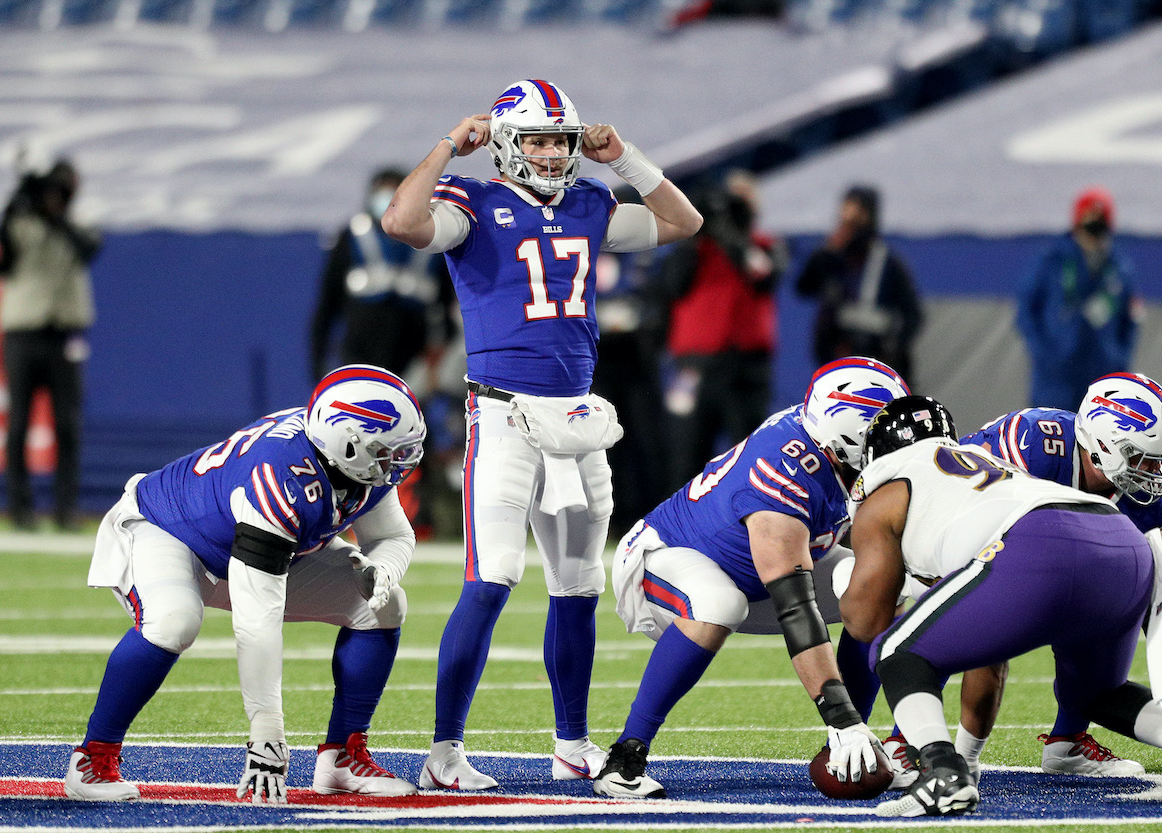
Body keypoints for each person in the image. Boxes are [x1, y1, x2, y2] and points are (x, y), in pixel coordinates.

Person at [380, 79, 703, 790]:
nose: (553, 153)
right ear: (504, 144)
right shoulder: (475, 202)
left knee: (579, 585)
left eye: (560, 139)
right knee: (491, 578)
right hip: (502, 413)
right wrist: (444, 146)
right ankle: (443, 752)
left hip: (578, 416)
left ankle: (571, 743)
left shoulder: (590, 203)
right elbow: (401, 223)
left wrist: (627, 159)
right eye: (537, 139)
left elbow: (684, 222)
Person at [838, 395, 1162, 817]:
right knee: (1095, 693)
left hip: (1039, 542)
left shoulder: (887, 492)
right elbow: (987, 660)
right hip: (1123, 542)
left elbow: (867, 624)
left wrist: (841, 577)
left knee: (897, 652)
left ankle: (941, 772)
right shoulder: (978, 461)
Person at [63, 365, 426, 803]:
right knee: (174, 620)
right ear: (349, 445)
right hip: (167, 530)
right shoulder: (281, 478)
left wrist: (382, 569)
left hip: (251, 546)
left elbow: (392, 536)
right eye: (389, 451)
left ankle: (343, 759)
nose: (400, 461)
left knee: (383, 606)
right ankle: (92, 759)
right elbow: (258, 619)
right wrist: (266, 734)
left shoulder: (345, 457)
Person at [591, 357, 909, 798]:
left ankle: (854, 745)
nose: (892, 440)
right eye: (880, 430)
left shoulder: (828, 438)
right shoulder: (783, 472)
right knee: (718, 603)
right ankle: (626, 756)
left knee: (884, 588)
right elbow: (796, 605)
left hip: (763, 568)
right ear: (847, 432)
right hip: (669, 555)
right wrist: (838, 714)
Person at [656, 172, 785, 488]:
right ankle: (679, 531)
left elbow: (764, 275)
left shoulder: (765, 246)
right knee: (687, 452)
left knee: (748, 455)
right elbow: (672, 285)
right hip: (696, 367)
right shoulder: (695, 250)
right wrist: (695, 230)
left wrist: (731, 235)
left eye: (742, 199)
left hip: (746, 369)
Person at [0, 158, 100, 531]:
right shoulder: (19, 225)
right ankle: (20, 509)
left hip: (65, 335)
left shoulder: (78, 225)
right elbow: (1, 261)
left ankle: (64, 508)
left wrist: (55, 215)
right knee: (19, 421)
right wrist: (18, 203)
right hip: (23, 334)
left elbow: (88, 248)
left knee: (67, 424)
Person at [309, 167, 454, 384]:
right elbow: (327, 305)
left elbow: (446, 306)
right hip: (359, 351)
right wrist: (318, 362)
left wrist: (440, 355)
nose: (387, 200)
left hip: (414, 354)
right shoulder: (351, 238)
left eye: (395, 192)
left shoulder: (431, 240)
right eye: (382, 192)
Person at [1016, 186, 1139, 410]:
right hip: (1055, 378)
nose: (1093, 236)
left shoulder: (1118, 269)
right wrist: (1043, 353)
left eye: (1099, 227)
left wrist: (1118, 360)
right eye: (1088, 226)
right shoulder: (1053, 262)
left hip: (1102, 377)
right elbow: (1025, 310)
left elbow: (1130, 320)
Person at [794, 184, 922, 388]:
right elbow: (804, 287)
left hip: (878, 367)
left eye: (856, 218)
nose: (847, 225)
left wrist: (891, 347)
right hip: (837, 366)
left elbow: (913, 315)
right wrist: (825, 255)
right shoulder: (832, 259)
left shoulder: (889, 264)